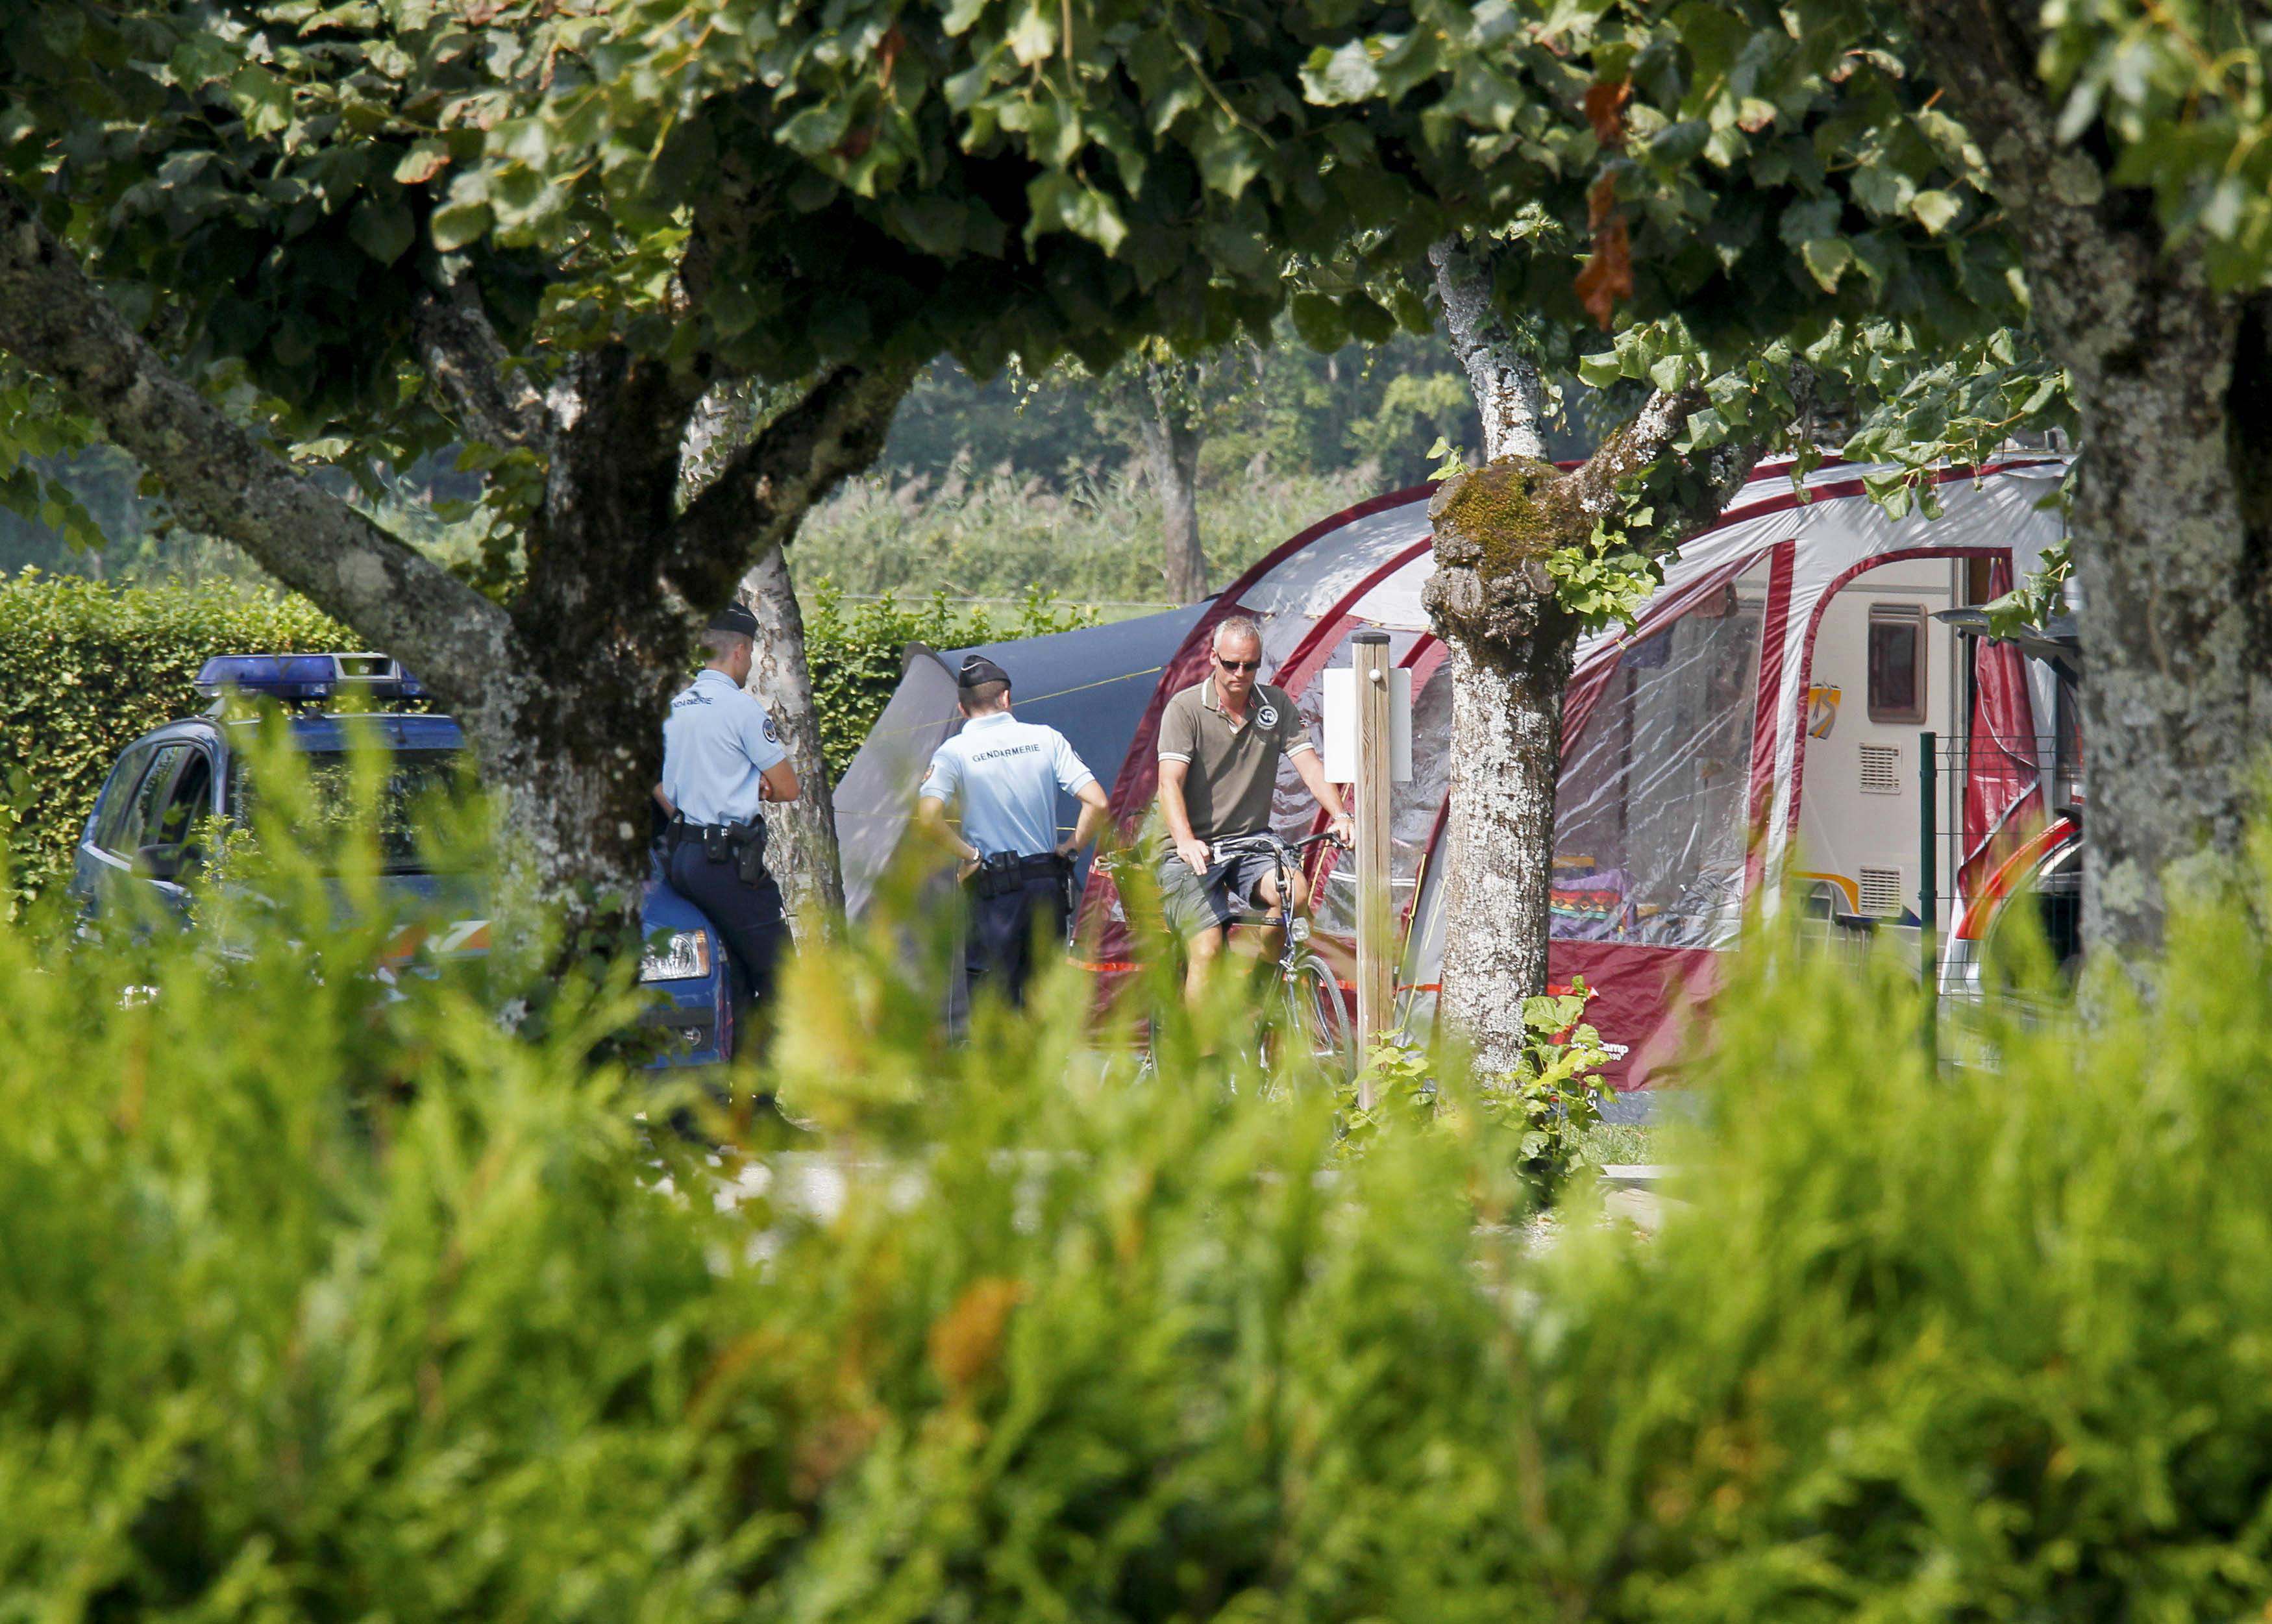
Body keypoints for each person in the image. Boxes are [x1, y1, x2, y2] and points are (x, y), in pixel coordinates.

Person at [1156, 617, 1352, 1006]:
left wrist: (1341, 815)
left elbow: (1310, 767)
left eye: (1250, 665)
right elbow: (1169, 783)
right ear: (1214, 658)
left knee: (1295, 895)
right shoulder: (1186, 708)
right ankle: (1203, 1063)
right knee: (1208, 949)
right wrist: (1185, 841)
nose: (1240, 674)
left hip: (1249, 843)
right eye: (1231, 664)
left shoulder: (1275, 705)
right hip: (1192, 849)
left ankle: (1258, 989)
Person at [917, 654, 1111, 1008]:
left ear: (962, 708)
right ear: (1006, 698)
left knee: (994, 1007)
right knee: (1046, 1002)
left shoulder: (954, 752)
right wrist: (1069, 850)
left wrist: (970, 856)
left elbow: (928, 818)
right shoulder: (1046, 738)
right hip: (1044, 884)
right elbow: (1097, 803)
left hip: (994, 891)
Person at [654, 602, 800, 1050]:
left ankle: (726, 1089)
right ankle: (760, 1098)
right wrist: (756, 788)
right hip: (729, 864)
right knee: (782, 977)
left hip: (684, 858)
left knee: (731, 976)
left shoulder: (674, 709)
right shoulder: (741, 709)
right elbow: (788, 787)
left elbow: (660, 788)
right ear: (740, 650)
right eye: (751, 653)